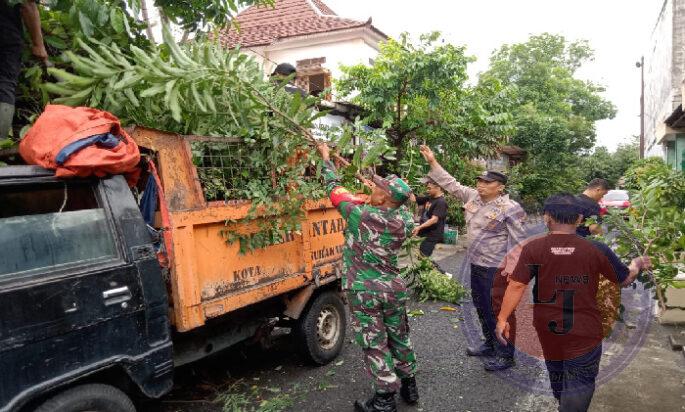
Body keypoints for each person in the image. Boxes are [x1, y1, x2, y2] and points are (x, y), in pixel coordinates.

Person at [495, 194, 650, 412]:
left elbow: (517, 285)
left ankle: (563, 404)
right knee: (580, 380)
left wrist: (502, 319)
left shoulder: (533, 248)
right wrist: (635, 264)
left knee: (556, 369)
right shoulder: (596, 249)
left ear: (546, 217)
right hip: (584, 328)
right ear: (579, 219)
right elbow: (624, 279)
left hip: (547, 326)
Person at [316, 142, 419, 412]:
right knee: (399, 335)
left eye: (378, 188)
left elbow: (333, 190)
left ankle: (385, 399)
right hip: (393, 288)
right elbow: (405, 208)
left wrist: (326, 159)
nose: (372, 187)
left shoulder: (359, 215)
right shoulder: (403, 222)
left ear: (384, 198)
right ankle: (409, 383)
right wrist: (381, 190)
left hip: (365, 289)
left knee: (375, 342)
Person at [419, 145, 527, 371]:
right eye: (479, 181)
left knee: (500, 311)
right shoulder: (473, 197)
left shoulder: (510, 208)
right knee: (481, 306)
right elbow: (450, 183)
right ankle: (489, 343)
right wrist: (432, 162)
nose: (481, 185)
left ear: (500, 187)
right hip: (476, 264)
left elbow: (518, 244)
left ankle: (506, 354)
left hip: (497, 269)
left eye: (487, 183)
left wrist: (514, 273)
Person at [0, 0, 48, 140]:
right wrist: (38, 45)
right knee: (4, 83)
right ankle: (1, 142)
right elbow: (28, 5)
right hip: (5, 33)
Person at [411, 177, 448, 257]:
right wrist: (405, 186)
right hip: (425, 233)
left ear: (438, 188)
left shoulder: (441, 202)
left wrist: (419, 227)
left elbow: (434, 220)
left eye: (429, 188)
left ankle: (431, 268)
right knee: (422, 255)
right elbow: (413, 199)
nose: (427, 190)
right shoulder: (429, 198)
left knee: (423, 256)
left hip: (432, 235)